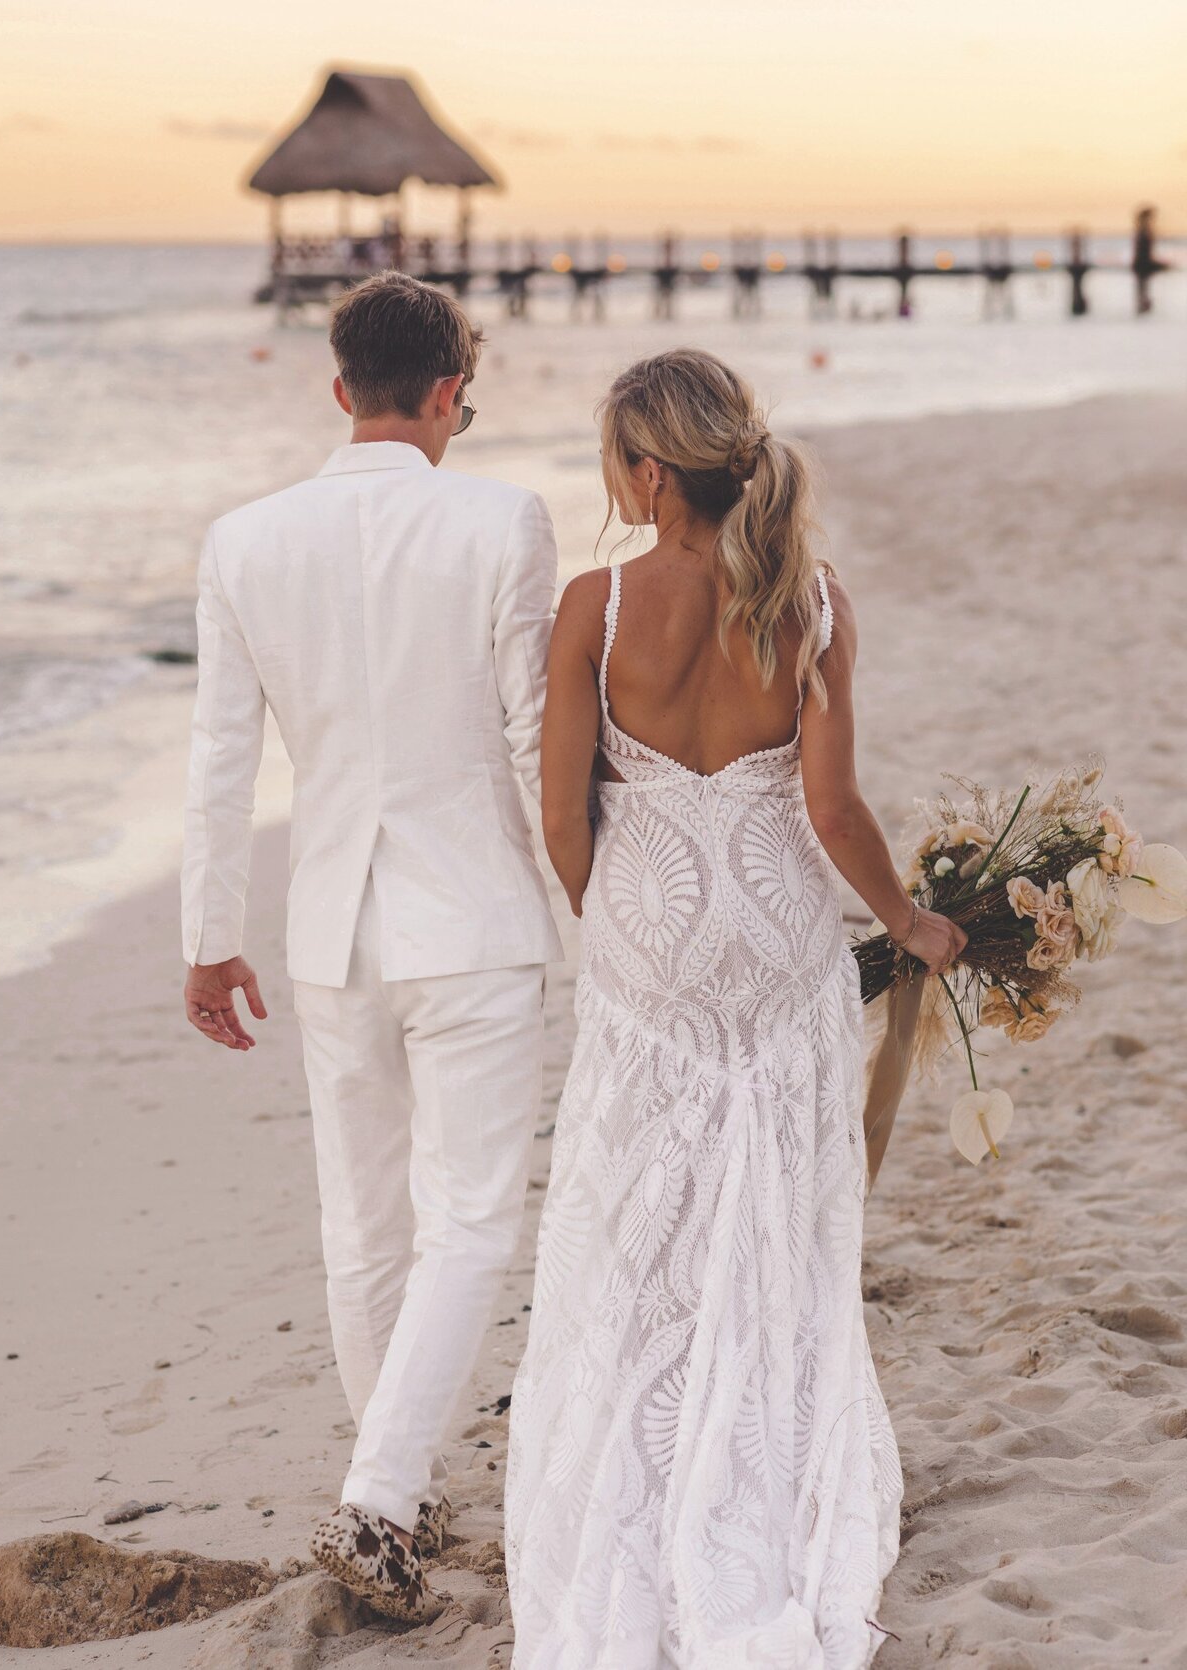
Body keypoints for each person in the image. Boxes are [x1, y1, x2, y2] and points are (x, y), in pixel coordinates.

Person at [505, 349, 964, 1667]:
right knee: (776, 1217)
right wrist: (907, 920)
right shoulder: (809, 602)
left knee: (642, 1224)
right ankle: (766, 1470)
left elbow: (558, 812)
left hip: (650, 941)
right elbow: (830, 810)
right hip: (775, 942)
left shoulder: (594, 604)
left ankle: (644, 1467)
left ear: (650, 473)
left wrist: (619, 927)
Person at [180, 272, 563, 1620]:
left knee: (364, 1221)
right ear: (452, 388)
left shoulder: (244, 539)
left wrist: (207, 936)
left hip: (330, 929)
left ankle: (394, 1486)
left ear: (339, 388)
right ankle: (383, 1496)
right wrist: (591, 900)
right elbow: (531, 742)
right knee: (470, 1218)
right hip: (474, 920)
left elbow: (222, 762)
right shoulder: (505, 518)